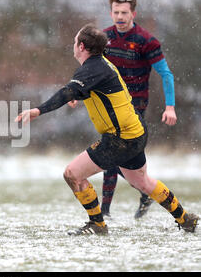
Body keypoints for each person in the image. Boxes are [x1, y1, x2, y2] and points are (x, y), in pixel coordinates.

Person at [15, 24, 198, 235]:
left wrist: (38, 110)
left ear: (81, 46)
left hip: (120, 139)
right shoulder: (102, 64)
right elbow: (93, 90)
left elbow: (66, 92)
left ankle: (97, 224)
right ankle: (185, 219)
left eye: (75, 42)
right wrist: (78, 94)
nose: (73, 45)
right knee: (143, 182)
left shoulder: (92, 68)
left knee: (72, 174)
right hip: (136, 132)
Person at [70, 0, 178, 219]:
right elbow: (92, 71)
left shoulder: (146, 41)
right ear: (110, 13)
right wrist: (76, 94)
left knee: (114, 156)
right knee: (117, 159)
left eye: (124, 13)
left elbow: (165, 74)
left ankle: (109, 210)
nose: (120, 17)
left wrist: (170, 106)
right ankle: (133, 197)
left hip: (134, 109)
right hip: (108, 107)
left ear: (133, 14)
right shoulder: (104, 39)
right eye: (116, 12)